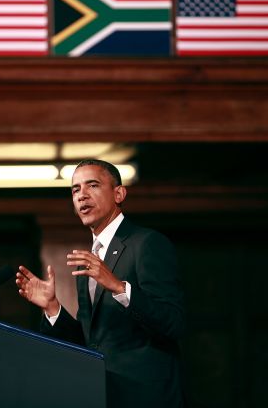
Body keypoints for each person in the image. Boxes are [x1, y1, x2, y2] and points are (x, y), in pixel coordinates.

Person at [16, 159, 185, 408]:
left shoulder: (147, 244)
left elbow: (173, 322)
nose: (82, 196)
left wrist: (119, 287)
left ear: (119, 193)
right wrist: (52, 308)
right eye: (75, 190)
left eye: (92, 185)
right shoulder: (91, 258)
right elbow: (91, 342)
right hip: (101, 395)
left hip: (146, 397)